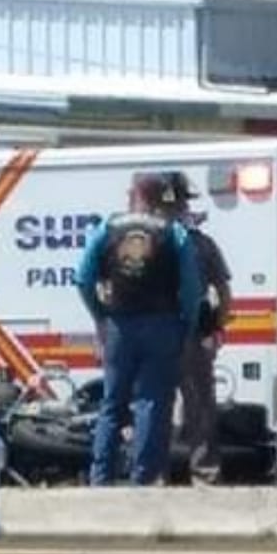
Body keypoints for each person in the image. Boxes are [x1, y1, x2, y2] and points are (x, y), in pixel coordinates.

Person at [75, 173, 202, 486]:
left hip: (118, 323)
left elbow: (82, 278)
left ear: (133, 195)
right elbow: (190, 288)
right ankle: (142, 477)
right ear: (161, 199)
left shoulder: (107, 229)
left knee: (112, 403)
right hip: (162, 323)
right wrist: (188, 324)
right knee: (151, 402)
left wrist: (99, 315)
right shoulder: (174, 233)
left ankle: (100, 476)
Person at [155, 171, 233, 487]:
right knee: (195, 406)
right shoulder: (199, 243)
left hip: (164, 334)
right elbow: (224, 290)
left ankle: (155, 475)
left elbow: (223, 289)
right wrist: (218, 328)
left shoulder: (145, 245)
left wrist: (217, 327)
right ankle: (204, 474)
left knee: (162, 406)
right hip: (187, 335)